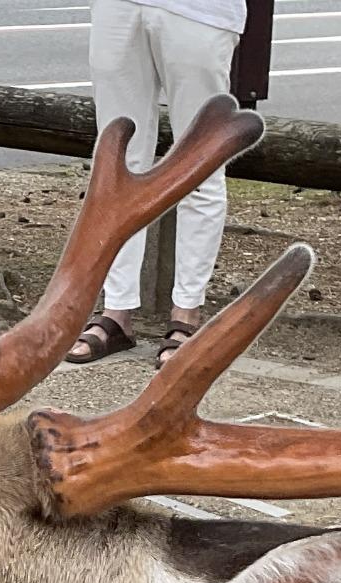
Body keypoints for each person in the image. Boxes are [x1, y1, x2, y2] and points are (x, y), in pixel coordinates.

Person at [66, 0, 245, 367]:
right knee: (117, 161)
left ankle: (186, 315)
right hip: (119, 7)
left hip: (201, 12)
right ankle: (116, 311)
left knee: (200, 162)